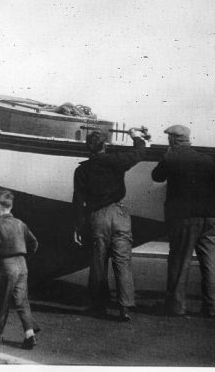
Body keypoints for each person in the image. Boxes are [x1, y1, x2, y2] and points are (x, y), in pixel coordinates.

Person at [151, 125, 215, 318]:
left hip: (184, 219)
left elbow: (156, 176)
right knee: (211, 266)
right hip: (211, 219)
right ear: (188, 139)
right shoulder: (207, 160)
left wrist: (166, 156)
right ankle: (212, 308)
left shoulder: (171, 157)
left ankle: (176, 307)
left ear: (171, 140)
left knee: (179, 262)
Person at [72, 128, 149, 321]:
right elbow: (139, 153)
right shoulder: (116, 161)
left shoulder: (82, 170)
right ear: (105, 145)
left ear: (87, 148)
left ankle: (98, 305)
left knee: (98, 261)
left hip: (97, 216)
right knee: (122, 261)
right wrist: (137, 138)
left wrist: (78, 226)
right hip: (120, 214)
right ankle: (125, 307)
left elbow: (78, 200)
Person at [0, 189, 39, 349]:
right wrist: (24, 257)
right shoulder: (20, 223)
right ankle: (29, 334)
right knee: (22, 300)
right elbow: (34, 243)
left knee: (2, 302)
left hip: (6, 266)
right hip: (22, 264)